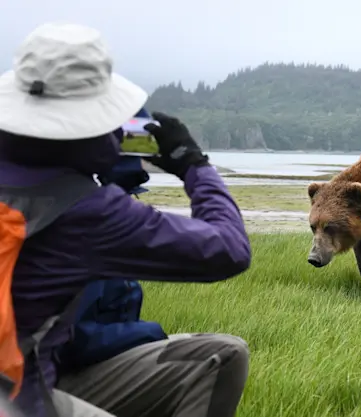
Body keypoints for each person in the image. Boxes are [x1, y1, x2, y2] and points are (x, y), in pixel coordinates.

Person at [0, 22, 252, 417]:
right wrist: (193, 165)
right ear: (99, 114)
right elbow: (229, 249)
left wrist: (104, 168)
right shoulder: (90, 213)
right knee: (219, 355)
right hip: (21, 397)